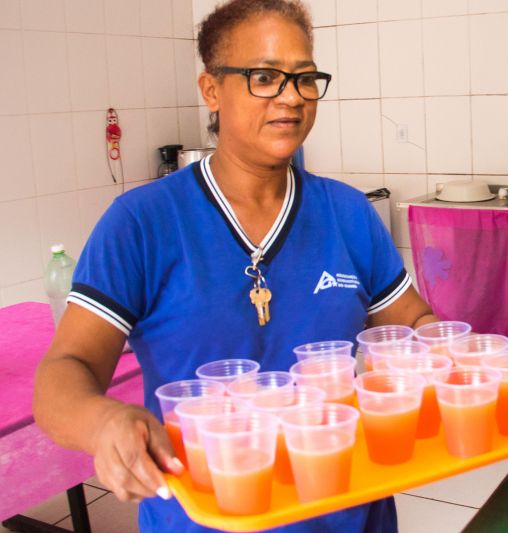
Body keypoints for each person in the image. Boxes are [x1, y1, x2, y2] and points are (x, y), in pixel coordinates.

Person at [32, 1, 436, 531]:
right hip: (205, 514)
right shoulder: (142, 222)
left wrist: (440, 345)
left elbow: (412, 323)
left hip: (345, 508)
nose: (291, 96)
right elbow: (65, 371)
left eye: (305, 78)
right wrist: (103, 420)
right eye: (264, 77)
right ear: (211, 90)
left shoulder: (348, 213)